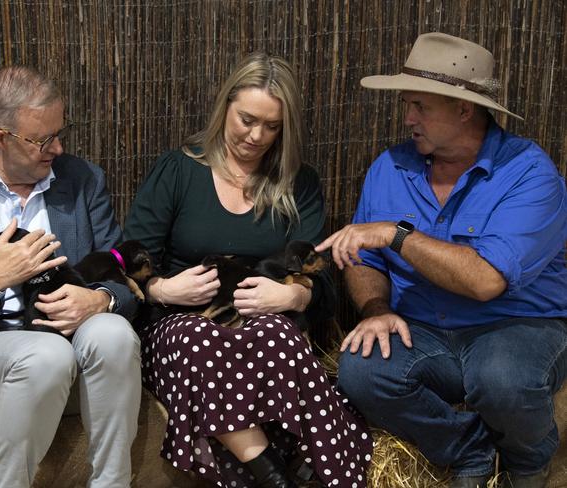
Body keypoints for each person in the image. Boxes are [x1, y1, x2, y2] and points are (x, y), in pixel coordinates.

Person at [316, 32, 567, 488]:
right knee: (361, 370)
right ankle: (470, 450)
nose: (408, 118)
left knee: (501, 378)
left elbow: (487, 281)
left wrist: (398, 235)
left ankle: (529, 461)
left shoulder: (529, 173)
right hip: (425, 330)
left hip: (515, 325)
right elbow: (362, 258)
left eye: (420, 106)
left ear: (464, 109)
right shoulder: (390, 167)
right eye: (407, 104)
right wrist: (377, 310)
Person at [123, 52, 372, 488]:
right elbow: (129, 257)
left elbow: (323, 278)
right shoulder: (179, 170)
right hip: (181, 323)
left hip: (263, 323)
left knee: (278, 334)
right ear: (225, 108)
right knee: (199, 340)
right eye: (246, 120)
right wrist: (163, 289)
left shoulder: (299, 183)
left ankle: (322, 471)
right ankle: (277, 477)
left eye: (271, 126)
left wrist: (298, 295)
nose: (256, 136)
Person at [0, 66, 142, 488]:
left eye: (61, 132)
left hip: (81, 351)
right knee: (45, 356)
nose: (57, 147)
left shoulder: (83, 180)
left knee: (112, 332)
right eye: (42, 140)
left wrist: (101, 300)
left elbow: (120, 274)